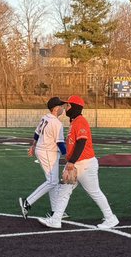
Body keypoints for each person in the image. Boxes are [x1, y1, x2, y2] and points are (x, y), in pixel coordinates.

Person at [37, 94, 119, 229]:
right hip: (77, 163)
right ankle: (56, 220)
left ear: (75, 107)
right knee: (64, 192)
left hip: (85, 164)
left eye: (69, 105)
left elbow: (81, 142)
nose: (66, 108)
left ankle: (110, 218)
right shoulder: (74, 122)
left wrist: (71, 161)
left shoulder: (80, 121)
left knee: (94, 192)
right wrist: (71, 160)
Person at [20, 96, 65, 219]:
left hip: (43, 150)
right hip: (48, 152)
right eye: (61, 106)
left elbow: (36, 133)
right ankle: (27, 202)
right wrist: (68, 157)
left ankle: (55, 211)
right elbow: (60, 143)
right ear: (56, 108)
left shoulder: (45, 117)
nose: (63, 108)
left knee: (53, 181)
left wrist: (33, 146)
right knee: (52, 181)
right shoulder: (56, 123)